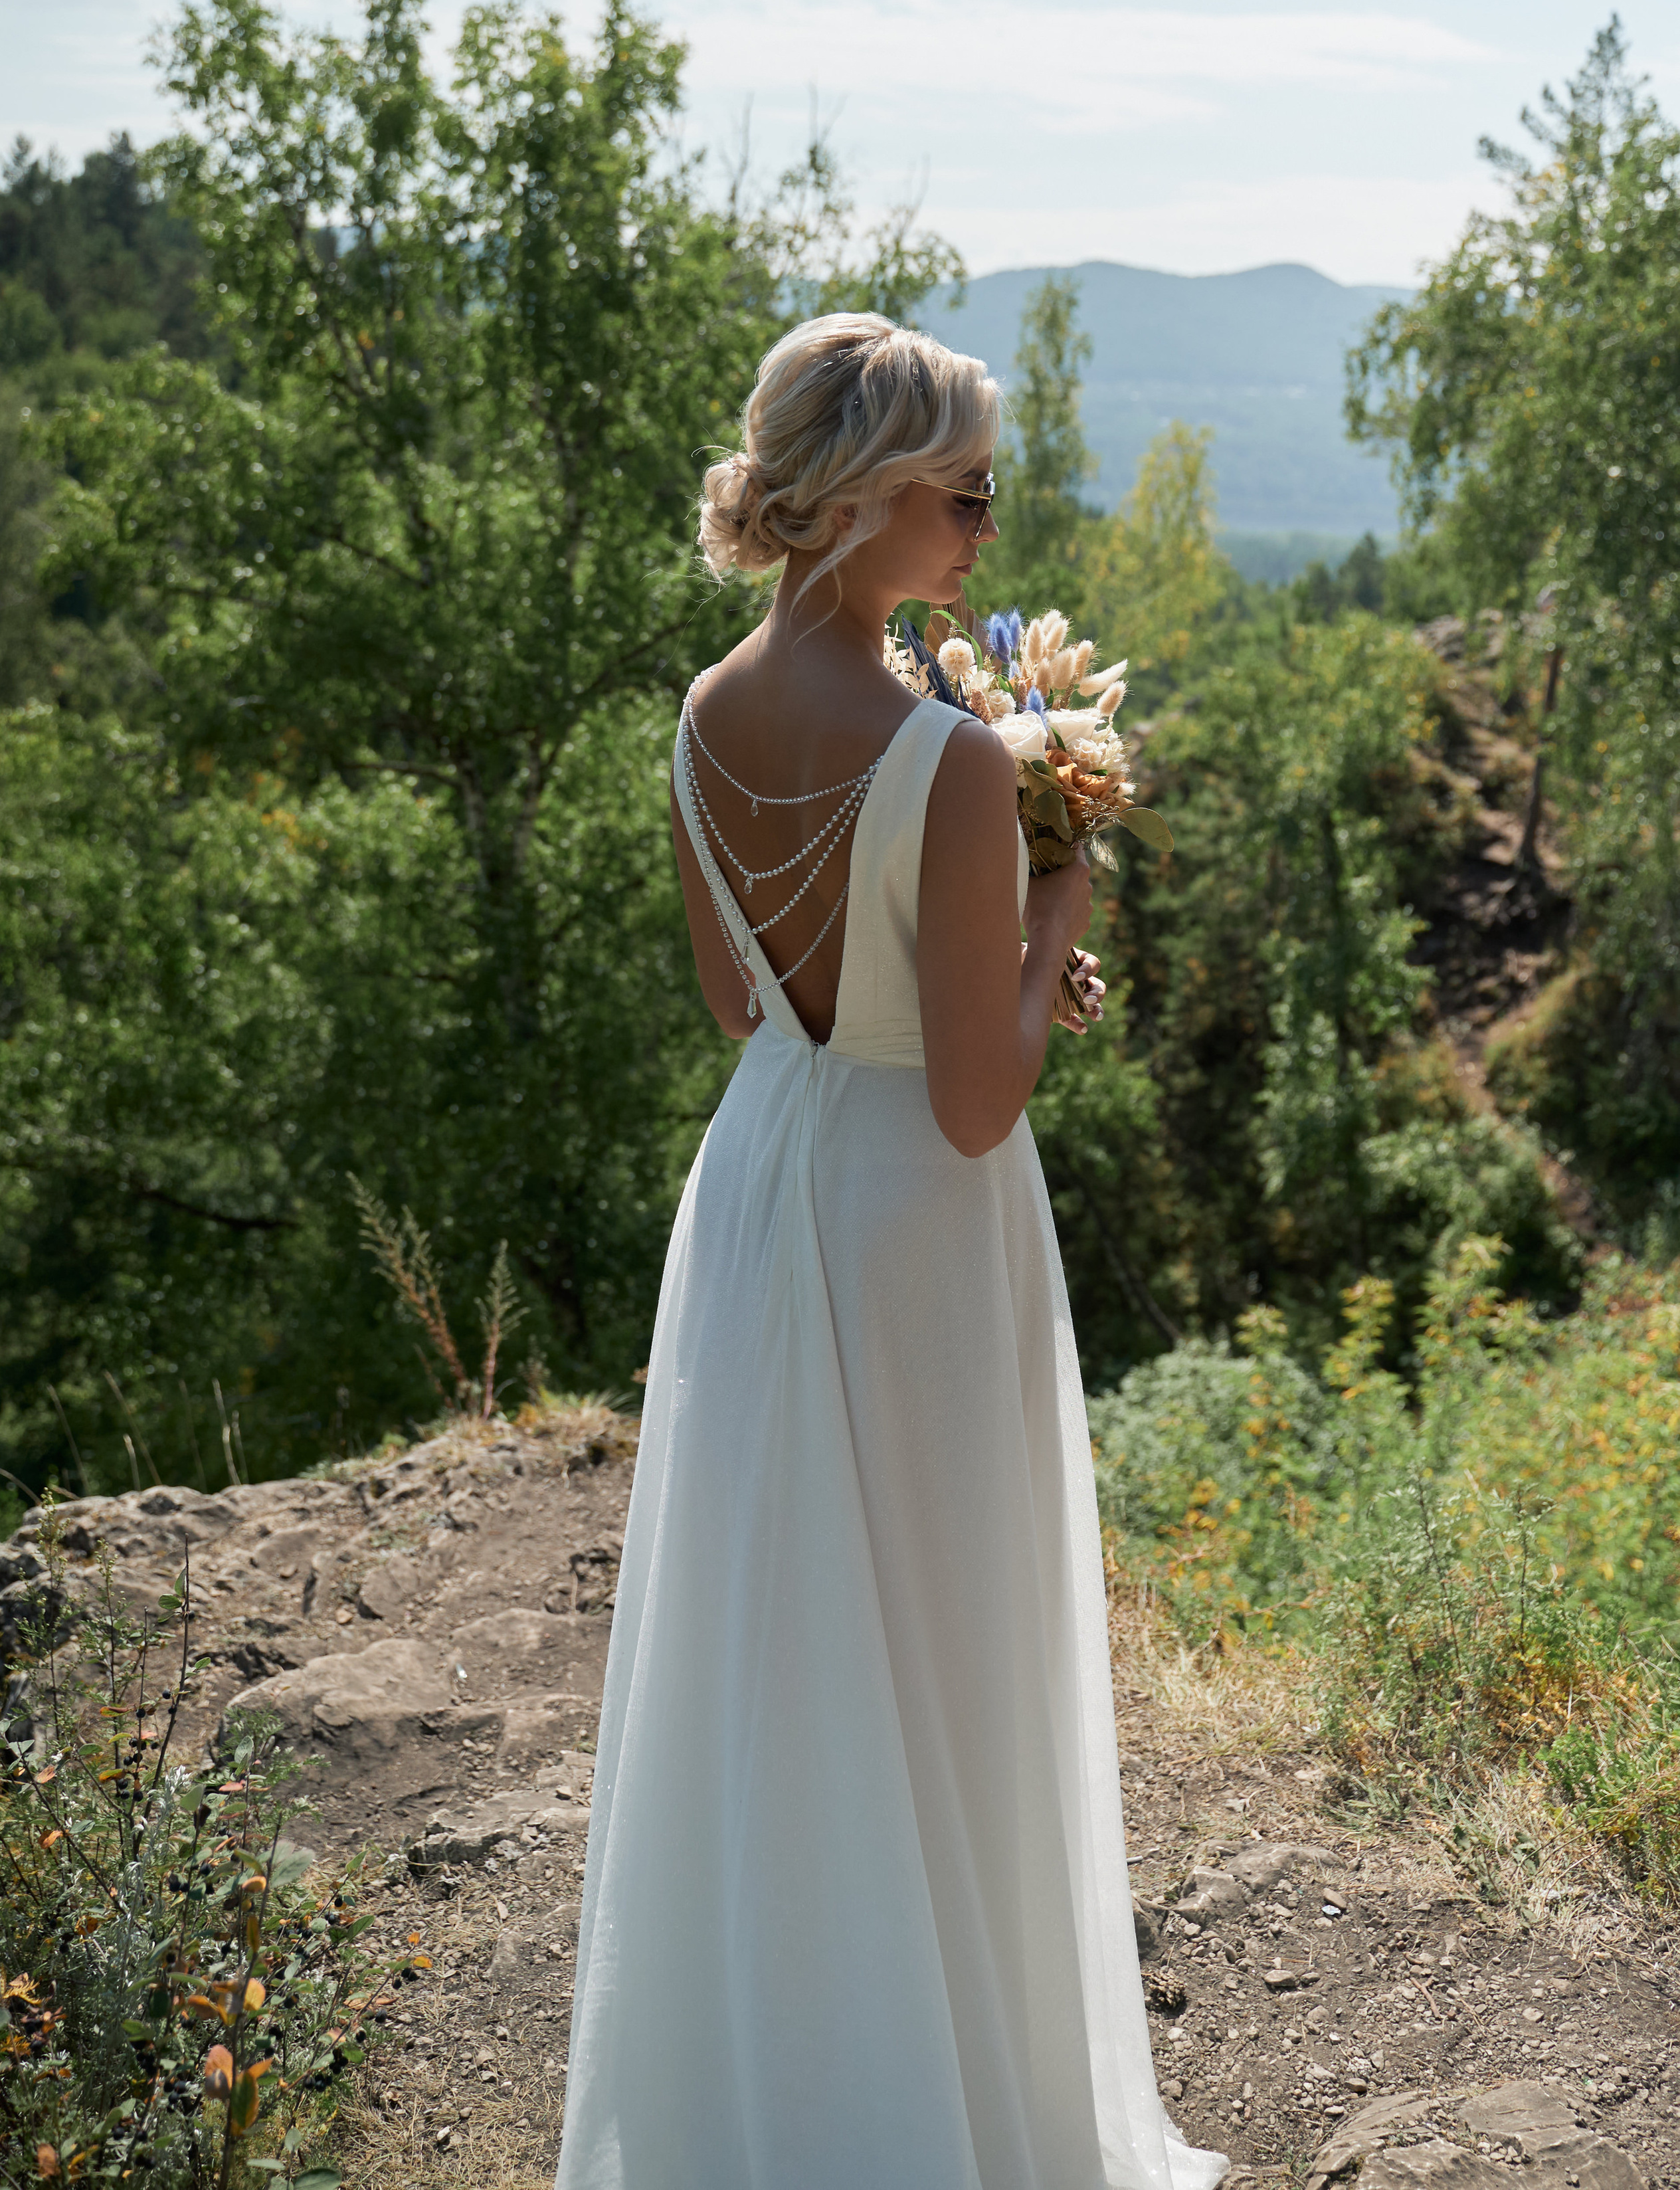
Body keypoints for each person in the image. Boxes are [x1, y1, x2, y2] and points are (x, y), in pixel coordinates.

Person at [557, 312, 1228, 2190]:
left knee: (786, 1645)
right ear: (857, 504)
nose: (989, 531)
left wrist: (987, 967)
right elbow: (972, 1102)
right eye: (966, 491)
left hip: (767, 1186)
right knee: (945, 1637)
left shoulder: (703, 714)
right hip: (918, 1229)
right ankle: (954, 2115)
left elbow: (739, 1000)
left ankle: (778, 2076)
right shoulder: (945, 756)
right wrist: (1053, 902)